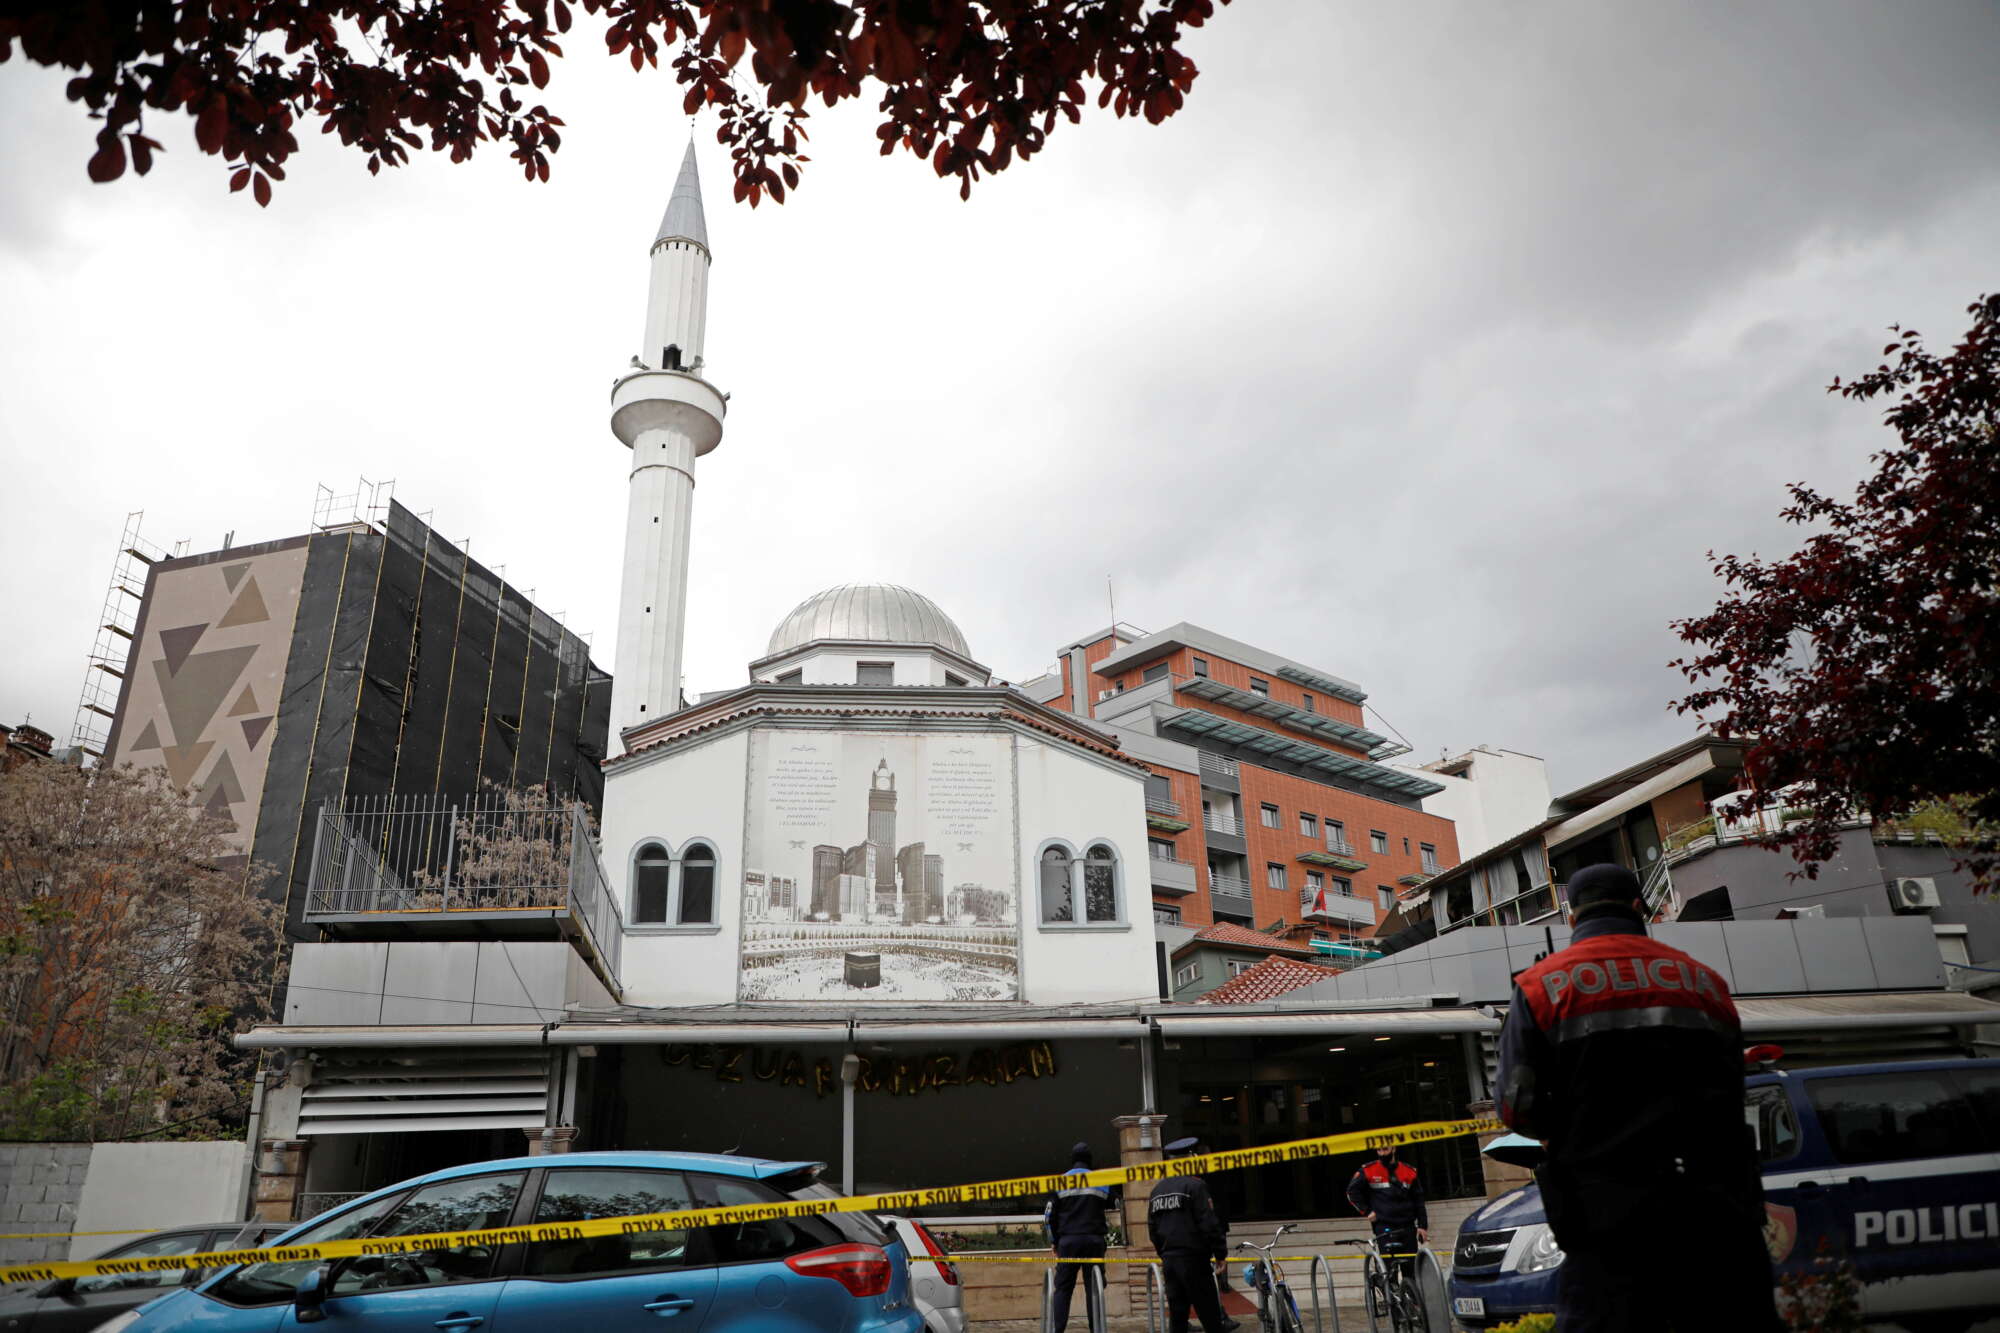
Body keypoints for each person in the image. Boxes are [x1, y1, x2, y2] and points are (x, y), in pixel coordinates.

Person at [1496, 862, 1781, 1333]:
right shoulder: (1704, 982)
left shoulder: (1540, 988)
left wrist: (1566, 1131)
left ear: (1571, 916)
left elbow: (1515, 1104)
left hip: (1605, 1218)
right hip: (1718, 1211)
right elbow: (1733, 1083)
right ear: (1638, 907)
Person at [1146, 1136, 1238, 1333]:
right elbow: (1209, 1223)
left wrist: (1164, 1253)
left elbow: (1152, 1229)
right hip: (1194, 1259)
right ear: (1189, 1159)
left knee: (1178, 1318)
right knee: (1210, 1316)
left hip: (1170, 1261)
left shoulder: (1157, 1190)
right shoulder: (1195, 1186)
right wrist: (1220, 1254)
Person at [1043, 1140, 1114, 1330]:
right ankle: (1096, 1329)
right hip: (1094, 1241)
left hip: (1068, 1242)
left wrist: (1054, 1242)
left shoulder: (1060, 1182)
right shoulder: (1101, 1181)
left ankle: (1057, 1330)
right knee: (1094, 1288)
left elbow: (1048, 1217)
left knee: (1063, 1289)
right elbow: (1113, 1204)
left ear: (1072, 1160)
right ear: (1090, 1160)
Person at [1344, 1141, 1429, 1291]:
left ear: (1393, 1148)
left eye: (1385, 1149)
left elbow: (1419, 1200)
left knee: (1410, 1270)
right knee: (1389, 1272)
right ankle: (1391, 1299)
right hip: (1384, 1226)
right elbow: (1351, 1192)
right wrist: (1367, 1211)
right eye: (1379, 1150)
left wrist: (1422, 1226)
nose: (1382, 1153)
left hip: (1407, 1227)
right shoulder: (1368, 1170)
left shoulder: (1409, 1171)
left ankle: (1412, 1301)